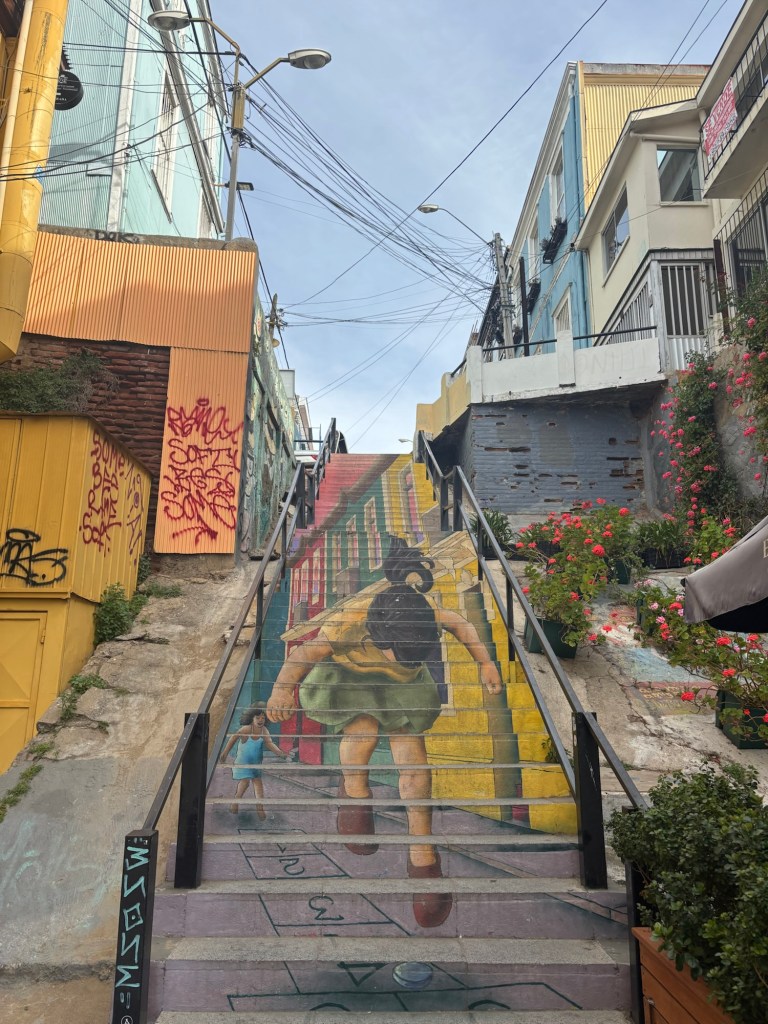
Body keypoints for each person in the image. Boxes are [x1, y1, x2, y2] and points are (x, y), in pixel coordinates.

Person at [267, 536, 503, 928]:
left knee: (413, 758)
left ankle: (423, 856)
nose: (405, 657)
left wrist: (486, 663)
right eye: (400, 652)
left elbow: (461, 624)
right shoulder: (347, 624)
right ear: (377, 635)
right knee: (363, 733)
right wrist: (280, 690)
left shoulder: (423, 612)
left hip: (402, 687)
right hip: (350, 677)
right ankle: (355, 795)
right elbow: (302, 653)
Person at [220, 703, 291, 817]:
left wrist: (281, 754)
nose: (261, 720)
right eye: (258, 718)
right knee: (245, 782)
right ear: (251, 718)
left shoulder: (264, 731)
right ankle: (236, 802)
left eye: (263, 718)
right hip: (243, 762)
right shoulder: (247, 729)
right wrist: (224, 753)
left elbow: (270, 744)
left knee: (257, 783)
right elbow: (233, 738)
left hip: (256, 763)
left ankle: (259, 807)